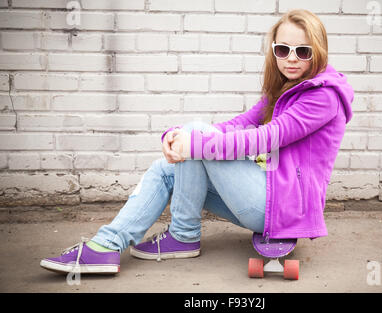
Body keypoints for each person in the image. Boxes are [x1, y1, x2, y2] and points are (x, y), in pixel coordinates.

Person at [40, 9, 353, 275]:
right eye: (283, 50)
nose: (292, 58)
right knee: (166, 169)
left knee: (197, 137)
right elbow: (238, 125)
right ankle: (108, 245)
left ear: (318, 51)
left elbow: (266, 137)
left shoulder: (323, 97)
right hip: (264, 190)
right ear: (274, 51)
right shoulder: (284, 88)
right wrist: (176, 136)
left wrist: (194, 141)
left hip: (282, 208)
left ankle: (183, 234)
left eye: (303, 51)